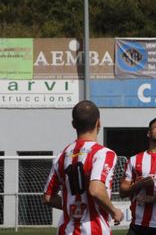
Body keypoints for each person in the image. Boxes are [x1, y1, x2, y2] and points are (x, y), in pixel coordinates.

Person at [42, 100, 124, 234]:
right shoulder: (103, 154)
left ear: (73, 125)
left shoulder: (61, 156)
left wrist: (72, 206)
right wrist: (114, 211)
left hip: (66, 230)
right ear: (98, 123)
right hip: (94, 229)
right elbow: (96, 190)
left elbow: (47, 198)